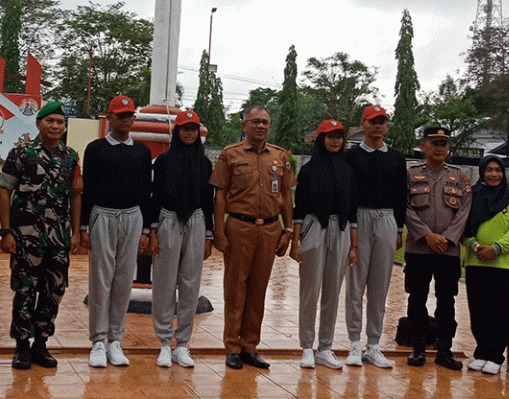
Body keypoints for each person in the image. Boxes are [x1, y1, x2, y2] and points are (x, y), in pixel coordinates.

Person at [210, 105, 296, 370]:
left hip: (270, 229)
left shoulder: (282, 156)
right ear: (243, 125)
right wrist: (219, 231)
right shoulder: (229, 155)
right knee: (236, 289)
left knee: (258, 289)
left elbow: (287, 194)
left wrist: (288, 230)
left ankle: (250, 346)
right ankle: (232, 346)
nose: (260, 126)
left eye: (265, 122)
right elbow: (220, 194)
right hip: (239, 227)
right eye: (255, 121)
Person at [0, 101, 83, 370]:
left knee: (53, 290)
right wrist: (6, 231)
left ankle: (41, 345)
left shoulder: (71, 156)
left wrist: (75, 232)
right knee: (25, 290)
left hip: (57, 238)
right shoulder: (21, 153)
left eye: (60, 122)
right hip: (26, 238)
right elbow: (4, 192)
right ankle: (22, 346)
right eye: (51, 121)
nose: (56, 126)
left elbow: (76, 196)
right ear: (39, 124)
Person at [82, 96, 152, 368]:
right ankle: (98, 341)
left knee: (123, 279)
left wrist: (146, 227)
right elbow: (88, 187)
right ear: (109, 118)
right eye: (120, 115)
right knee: (101, 278)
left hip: (133, 216)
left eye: (129, 115)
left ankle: (115, 341)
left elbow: (145, 191)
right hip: (103, 214)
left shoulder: (142, 152)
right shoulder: (96, 149)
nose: (125, 120)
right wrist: (84, 226)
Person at [148, 110, 213, 368]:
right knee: (164, 281)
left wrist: (210, 235)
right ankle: (164, 342)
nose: (189, 133)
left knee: (190, 282)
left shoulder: (205, 164)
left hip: (196, 220)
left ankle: (182, 344)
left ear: (198, 132)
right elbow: (153, 196)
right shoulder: (163, 161)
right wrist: (152, 231)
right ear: (177, 131)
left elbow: (209, 200)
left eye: (193, 129)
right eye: (185, 128)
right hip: (168, 219)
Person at [290, 120, 357, 370]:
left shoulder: (347, 170)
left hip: (340, 231)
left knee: (332, 292)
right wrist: (296, 243)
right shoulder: (308, 171)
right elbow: (300, 208)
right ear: (321, 139)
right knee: (310, 291)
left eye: (339, 136)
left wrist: (354, 246)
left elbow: (352, 210)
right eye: (330, 136)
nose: (335, 140)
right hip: (313, 228)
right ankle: (307, 346)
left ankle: (325, 348)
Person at [344, 105, 407, 368]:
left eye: (382, 122)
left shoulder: (396, 157)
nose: (378, 126)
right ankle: (354, 344)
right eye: (373, 121)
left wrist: (400, 228)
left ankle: (373, 343)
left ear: (386, 125)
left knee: (380, 287)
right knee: (356, 285)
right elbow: (347, 193)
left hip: (387, 218)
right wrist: (351, 226)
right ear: (364, 124)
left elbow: (401, 194)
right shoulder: (352, 156)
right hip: (360, 217)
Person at [404, 127, 472, 370]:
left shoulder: (460, 176)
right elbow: (405, 207)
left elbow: (464, 210)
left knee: (447, 302)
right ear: (424, 146)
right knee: (416, 300)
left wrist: (447, 238)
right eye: (434, 143)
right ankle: (418, 348)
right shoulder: (411, 175)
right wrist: (426, 236)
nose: (440, 147)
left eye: (444, 143)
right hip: (419, 250)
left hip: (448, 251)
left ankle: (445, 349)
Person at [462, 155, 509, 375]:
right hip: (476, 262)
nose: (494, 174)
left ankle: (496, 356)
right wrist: (476, 246)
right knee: (478, 311)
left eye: (498, 170)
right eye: (489, 170)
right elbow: (463, 228)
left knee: (500, 312)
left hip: (504, 266)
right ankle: (481, 352)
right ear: (482, 172)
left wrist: (495, 248)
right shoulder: (472, 197)